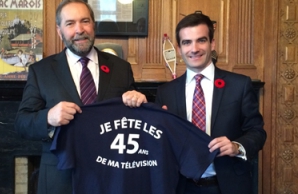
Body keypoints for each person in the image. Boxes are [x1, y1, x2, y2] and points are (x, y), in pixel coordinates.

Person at [14, 0, 146, 194]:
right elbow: (21, 123)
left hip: (112, 176)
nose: (79, 29)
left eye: (85, 21)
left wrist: (138, 102)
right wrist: (48, 117)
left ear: (93, 25)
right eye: (70, 23)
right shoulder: (41, 71)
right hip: (60, 179)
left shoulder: (121, 69)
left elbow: (135, 119)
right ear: (59, 31)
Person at [155, 13, 266, 194]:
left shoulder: (239, 85)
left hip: (229, 185)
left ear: (212, 43)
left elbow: (257, 132)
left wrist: (236, 146)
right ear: (178, 48)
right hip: (181, 186)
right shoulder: (165, 93)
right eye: (187, 42)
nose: (194, 48)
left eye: (201, 40)